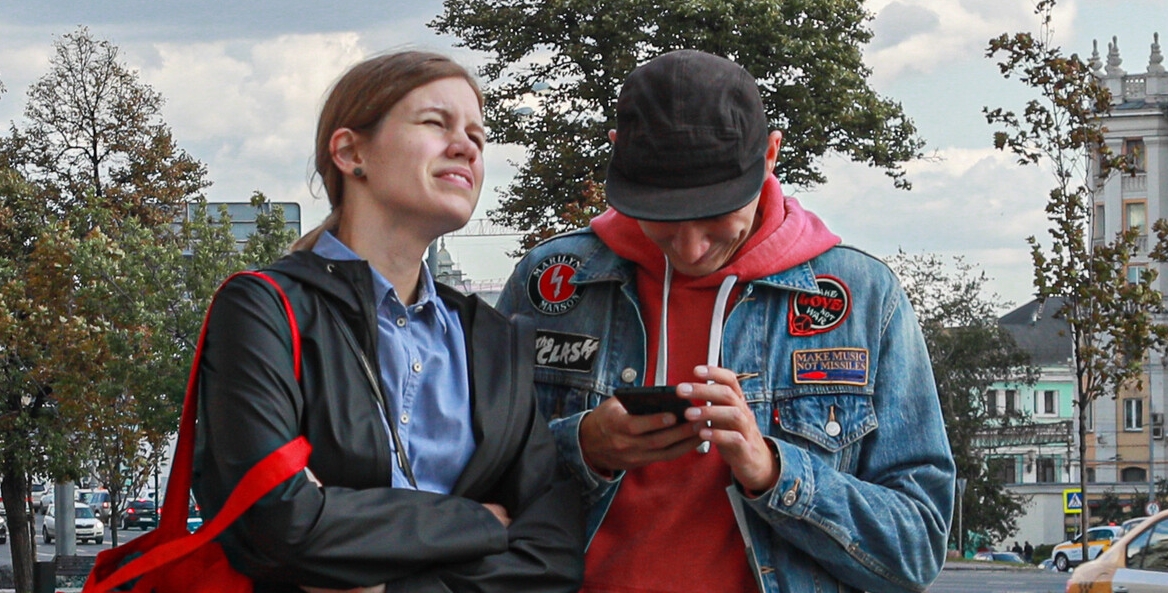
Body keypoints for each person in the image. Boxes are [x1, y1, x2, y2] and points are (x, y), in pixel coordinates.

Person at [496, 49, 955, 593]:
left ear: (770, 155)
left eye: (716, 213)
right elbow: (469, 485)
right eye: (663, 216)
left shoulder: (865, 299)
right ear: (617, 155)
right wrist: (583, 448)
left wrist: (775, 473)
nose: (691, 247)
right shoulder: (550, 282)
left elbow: (917, 549)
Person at [192, 51, 585, 592]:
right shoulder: (265, 310)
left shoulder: (493, 340)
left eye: (477, 135)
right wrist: (477, 521)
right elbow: (278, 521)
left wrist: (388, 582)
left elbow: (552, 557)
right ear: (351, 152)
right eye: (435, 123)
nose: (467, 146)